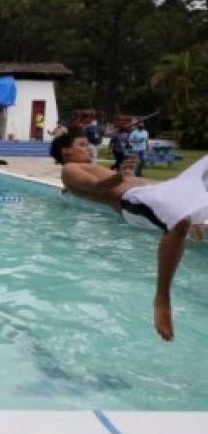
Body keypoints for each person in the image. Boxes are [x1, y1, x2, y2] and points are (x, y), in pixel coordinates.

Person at [50, 130, 207, 342]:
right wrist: (120, 175)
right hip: (131, 202)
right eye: (82, 144)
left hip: (151, 193)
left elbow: (119, 182)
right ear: (66, 151)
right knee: (179, 222)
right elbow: (97, 188)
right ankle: (162, 297)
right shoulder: (69, 169)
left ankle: (198, 218)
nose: (88, 148)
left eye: (87, 144)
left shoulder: (87, 166)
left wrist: (129, 175)